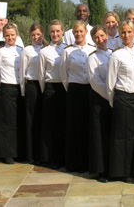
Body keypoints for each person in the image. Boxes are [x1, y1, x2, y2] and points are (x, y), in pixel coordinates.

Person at [106, 20, 134, 183]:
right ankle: (122, 172)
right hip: (123, 97)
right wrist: (113, 101)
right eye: (123, 32)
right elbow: (110, 83)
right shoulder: (116, 55)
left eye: (129, 32)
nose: (126, 35)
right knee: (122, 137)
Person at [59, 20, 96, 172]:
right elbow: (63, 74)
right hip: (74, 91)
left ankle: (88, 163)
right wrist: (71, 89)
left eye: (81, 31)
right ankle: (75, 163)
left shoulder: (92, 50)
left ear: (86, 32)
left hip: (89, 90)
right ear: (72, 34)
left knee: (88, 126)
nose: (79, 34)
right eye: (76, 32)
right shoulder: (67, 51)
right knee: (75, 127)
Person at [0, 23, 24, 164]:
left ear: (16, 35)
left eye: (12, 35)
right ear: (3, 36)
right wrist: (0, 91)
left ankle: (19, 152)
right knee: (7, 122)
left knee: (18, 121)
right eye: (8, 35)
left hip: (19, 89)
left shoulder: (22, 51)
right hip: (6, 87)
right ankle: (7, 153)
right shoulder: (0, 52)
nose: (10, 37)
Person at [37, 20, 67, 169]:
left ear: (62, 32)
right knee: (50, 125)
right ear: (49, 33)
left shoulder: (67, 50)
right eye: (52, 31)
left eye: (58, 31)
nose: (55, 34)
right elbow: (41, 75)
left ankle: (62, 157)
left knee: (62, 124)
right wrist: (46, 90)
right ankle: (50, 158)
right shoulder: (44, 52)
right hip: (50, 88)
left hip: (64, 88)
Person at [87, 25, 112, 182]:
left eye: (102, 35)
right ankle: (101, 171)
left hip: (112, 100)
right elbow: (95, 82)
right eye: (96, 37)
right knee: (99, 135)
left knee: (111, 135)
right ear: (93, 40)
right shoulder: (92, 58)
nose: (100, 39)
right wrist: (110, 96)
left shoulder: (113, 54)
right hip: (100, 99)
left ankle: (111, 167)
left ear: (107, 36)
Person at [19, 23, 47, 163]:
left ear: (43, 34)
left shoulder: (46, 49)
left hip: (44, 86)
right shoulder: (27, 50)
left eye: (38, 34)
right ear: (30, 36)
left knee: (42, 120)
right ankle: (31, 154)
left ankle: (41, 153)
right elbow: (22, 72)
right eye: (33, 35)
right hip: (31, 86)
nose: (36, 37)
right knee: (31, 120)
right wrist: (23, 91)